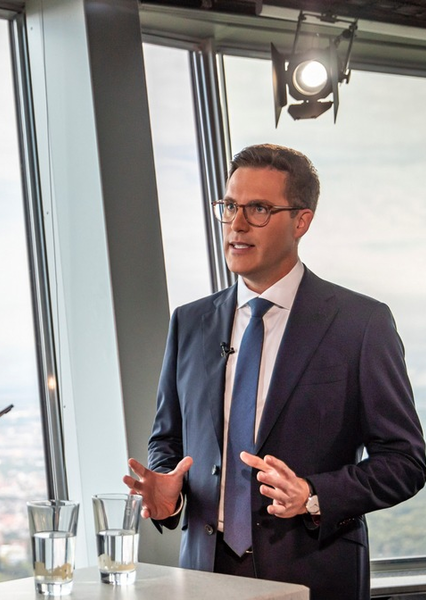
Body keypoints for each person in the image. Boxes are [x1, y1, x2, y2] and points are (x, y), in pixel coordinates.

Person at [123, 143, 426, 600]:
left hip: (314, 578)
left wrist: (312, 493)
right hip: (204, 578)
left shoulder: (361, 324)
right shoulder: (190, 322)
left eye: (259, 209)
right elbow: (168, 442)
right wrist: (171, 492)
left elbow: (405, 462)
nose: (237, 224)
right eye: (230, 207)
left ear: (301, 221)